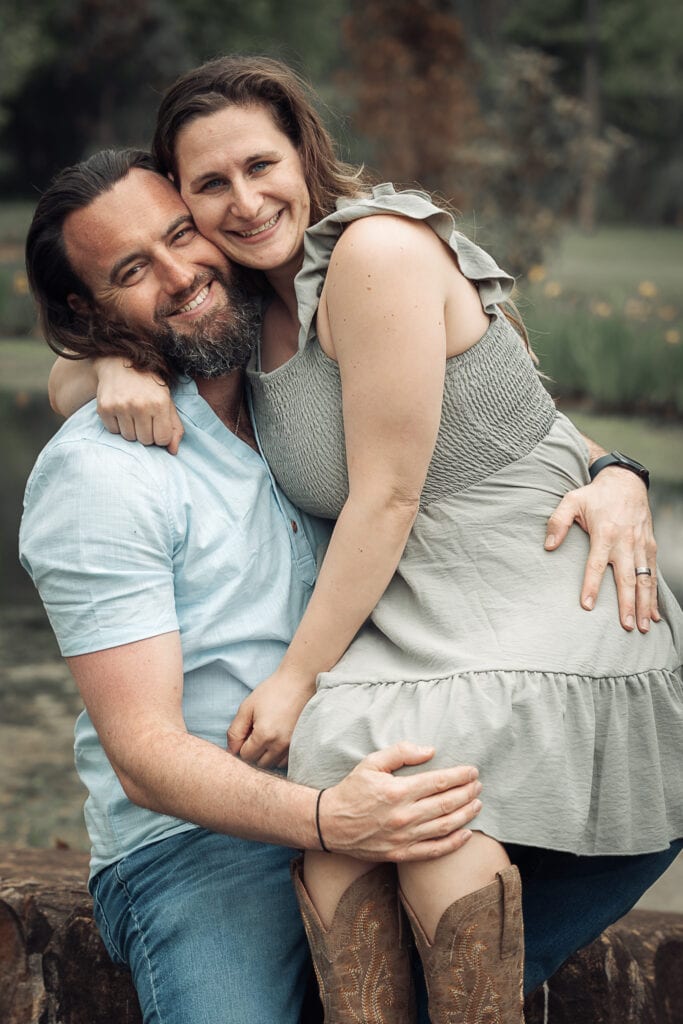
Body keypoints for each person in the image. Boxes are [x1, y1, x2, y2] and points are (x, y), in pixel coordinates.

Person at [48, 58, 683, 1024]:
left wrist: (617, 475)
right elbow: (143, 754)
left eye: (259, 167)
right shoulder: (220, 349)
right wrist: (97, 371)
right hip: (297, 755)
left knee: (415, 830)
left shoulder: (364, 257)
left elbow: (438, 462)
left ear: (304, 153)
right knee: (361, 831)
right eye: (207, 189)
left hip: (522, 622)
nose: (240, 206)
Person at [20, 149, 487, 1024]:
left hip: (370, 792)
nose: (180, 274)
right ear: (86, 313)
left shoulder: (303, 393)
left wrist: (609, 470)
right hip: (201, 844)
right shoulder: (101, 477)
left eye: (181, 235)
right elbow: (145, 758)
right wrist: (329, 821)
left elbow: (499, 425)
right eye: (131, 271)